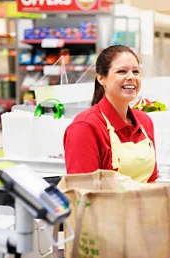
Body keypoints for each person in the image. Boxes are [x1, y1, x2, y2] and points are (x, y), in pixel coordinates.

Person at [63, 45, 158, 183]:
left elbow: (151, 182)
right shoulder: (85, 127)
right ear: (101, 78)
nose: (131, 77)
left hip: (144, 204)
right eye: (121, 71)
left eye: (136, 71)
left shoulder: (144, 122)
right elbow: (82, 193)